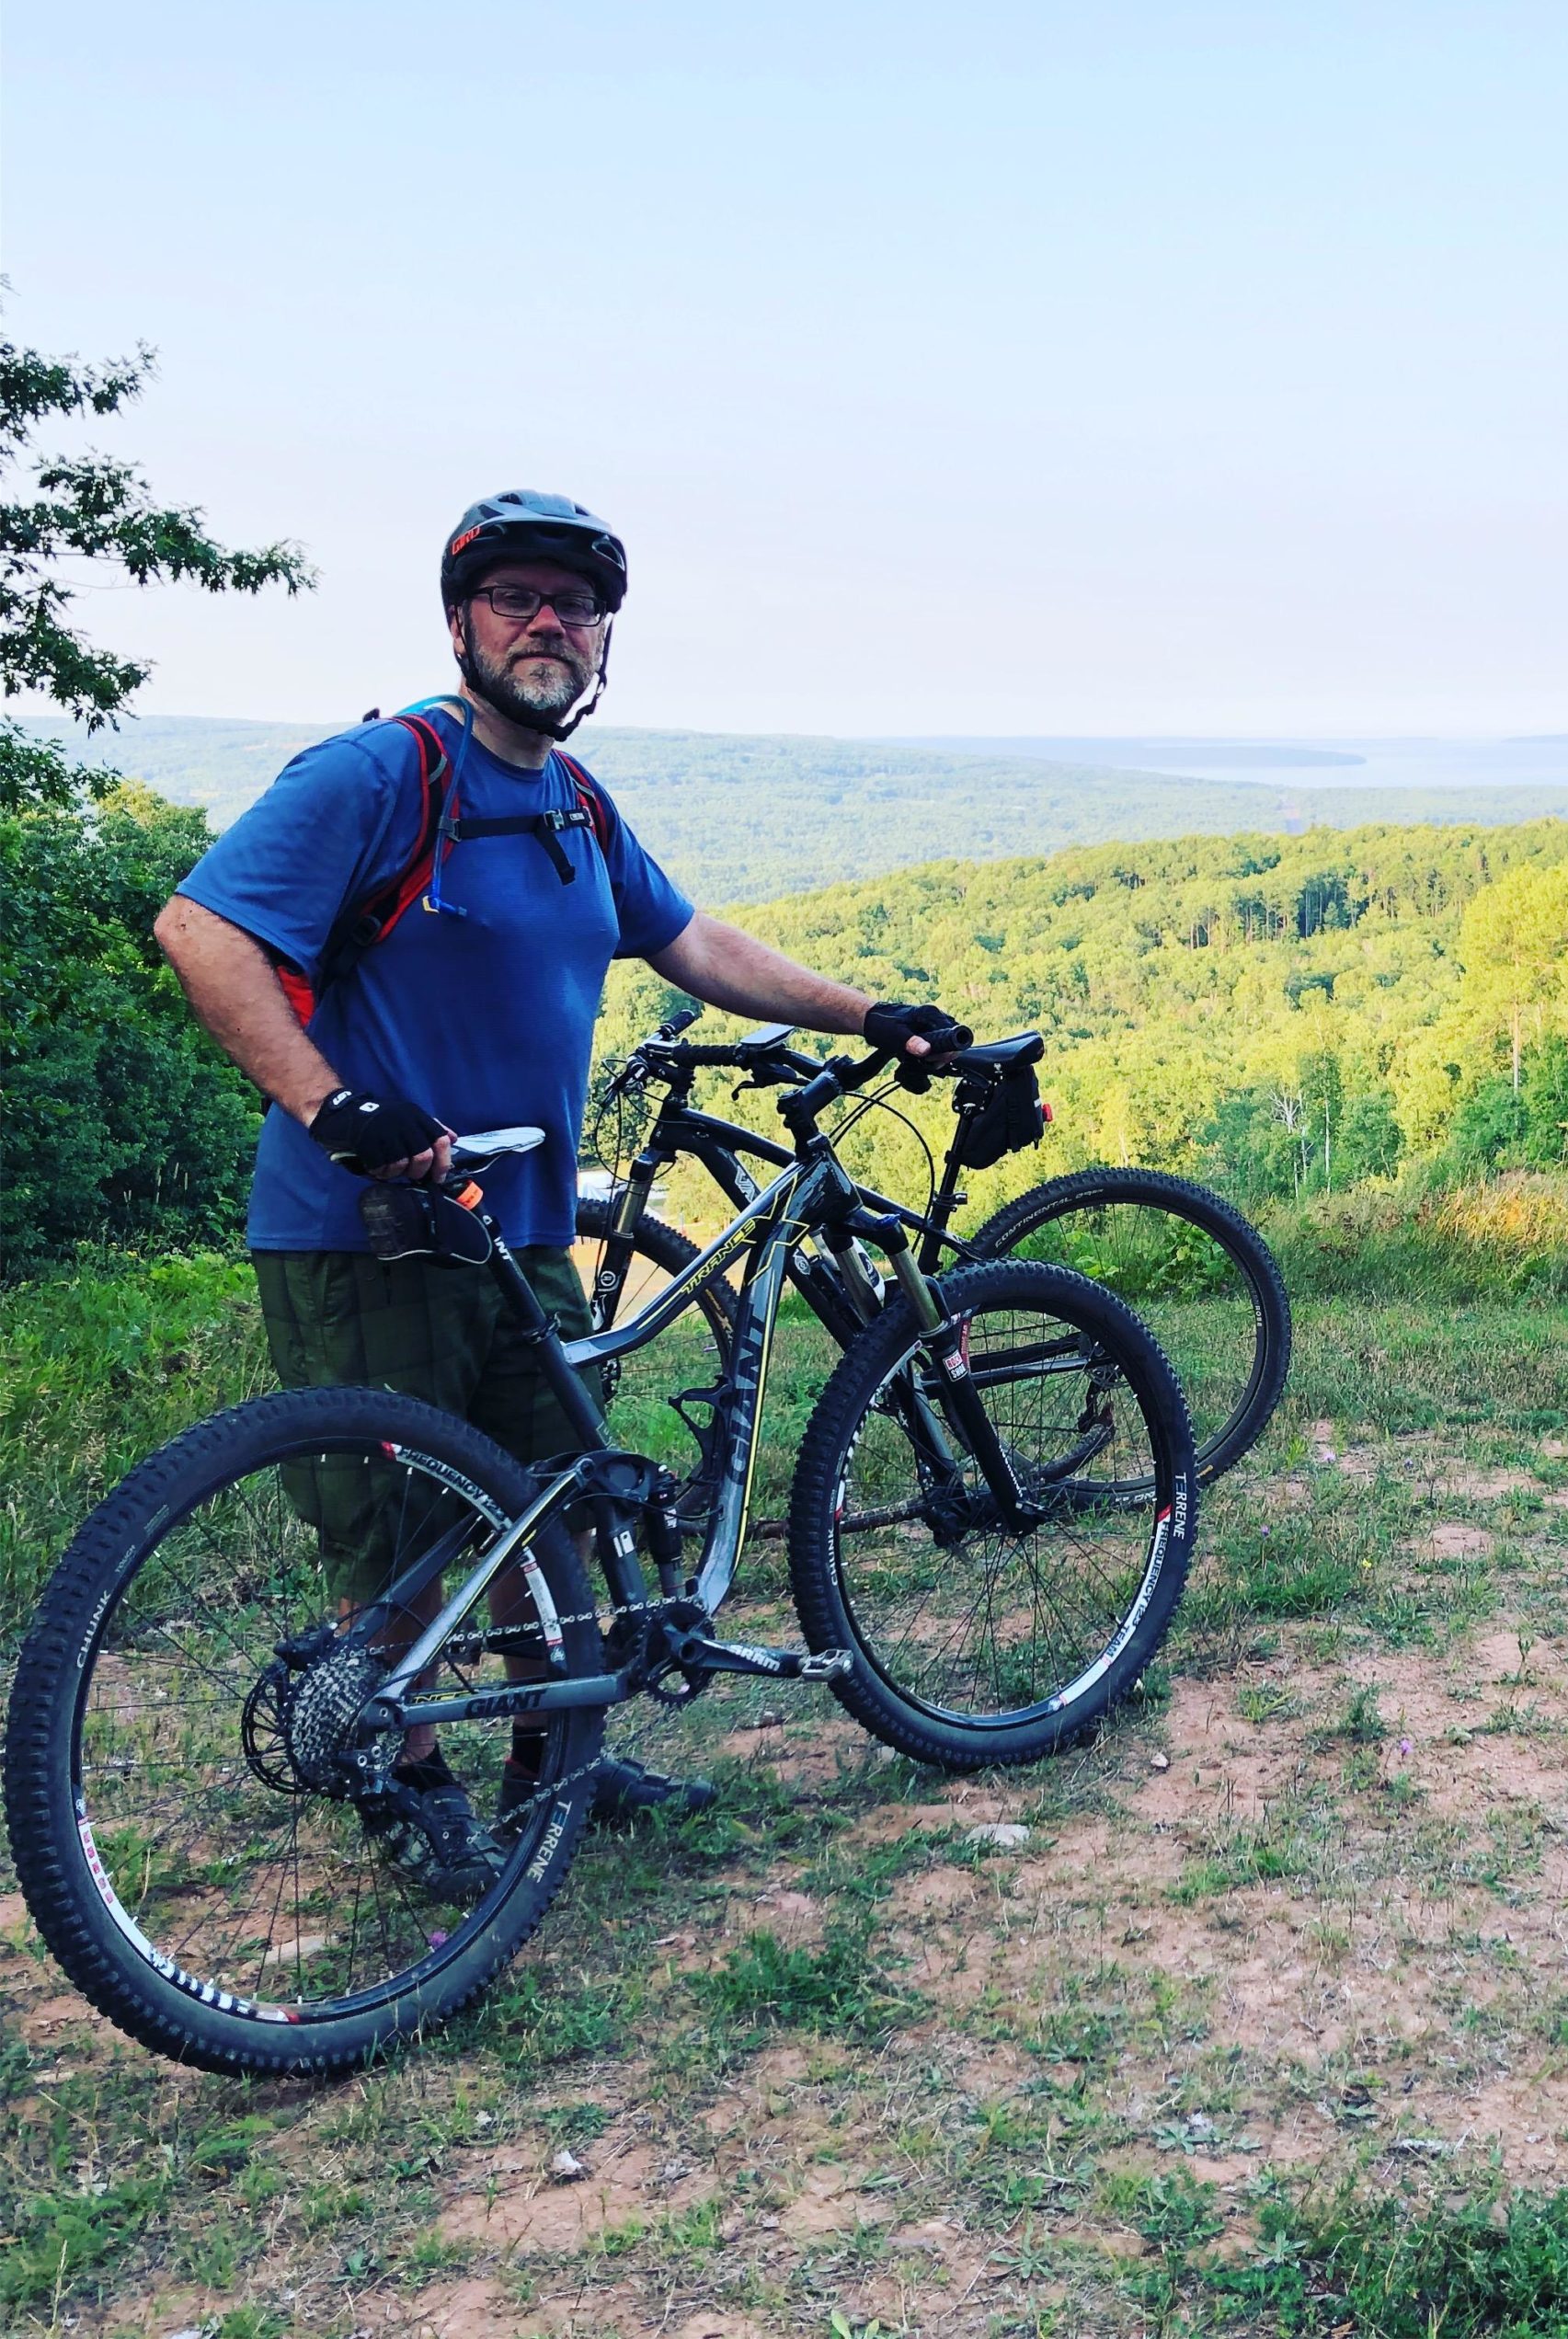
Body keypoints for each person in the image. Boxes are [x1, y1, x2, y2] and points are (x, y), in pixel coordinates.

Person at [155, 488, 963, 1898]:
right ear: (464, 620)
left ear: (603, 642)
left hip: (510, 1230)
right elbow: (200, 926)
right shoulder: (386, 774)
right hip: (368, 1233)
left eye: (575, 606)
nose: (549, 623)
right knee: (401, 1533)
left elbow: (690, 938)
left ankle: (558, 1760)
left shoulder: (575, 804)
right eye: (518, 597)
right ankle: (403, 1785)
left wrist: (866, 1010)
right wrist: (331, 1103)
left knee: (554, 1509)